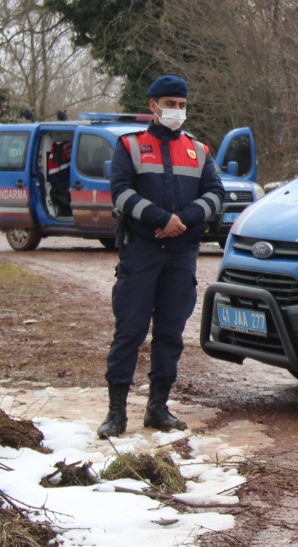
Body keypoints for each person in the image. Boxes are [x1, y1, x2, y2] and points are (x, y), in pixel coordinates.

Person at [97, 75, 224, 438]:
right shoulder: (130, 146)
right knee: (129, 331)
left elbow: (215, 193)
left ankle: (158, 408)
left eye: (182, 105)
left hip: (181, 253)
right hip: (142, 251)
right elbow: (120, 192)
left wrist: (182, 220)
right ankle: (116, 413)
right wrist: (160, 219)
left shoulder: (198, 150)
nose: (177, 111)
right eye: (170, 104)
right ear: (153, 106)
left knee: (170, 333)